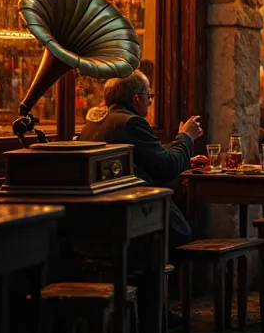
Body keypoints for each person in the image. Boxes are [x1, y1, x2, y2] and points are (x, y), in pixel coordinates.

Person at [79, 70, 204, 250]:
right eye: (149, 96)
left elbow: (147, 154)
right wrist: (186, 137)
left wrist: (179, 152)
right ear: (137, 99)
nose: (150, 101)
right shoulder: (131, 123)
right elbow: (167, 167)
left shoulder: (92, 125)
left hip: (98, 219)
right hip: (133, 218)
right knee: (185, 232)